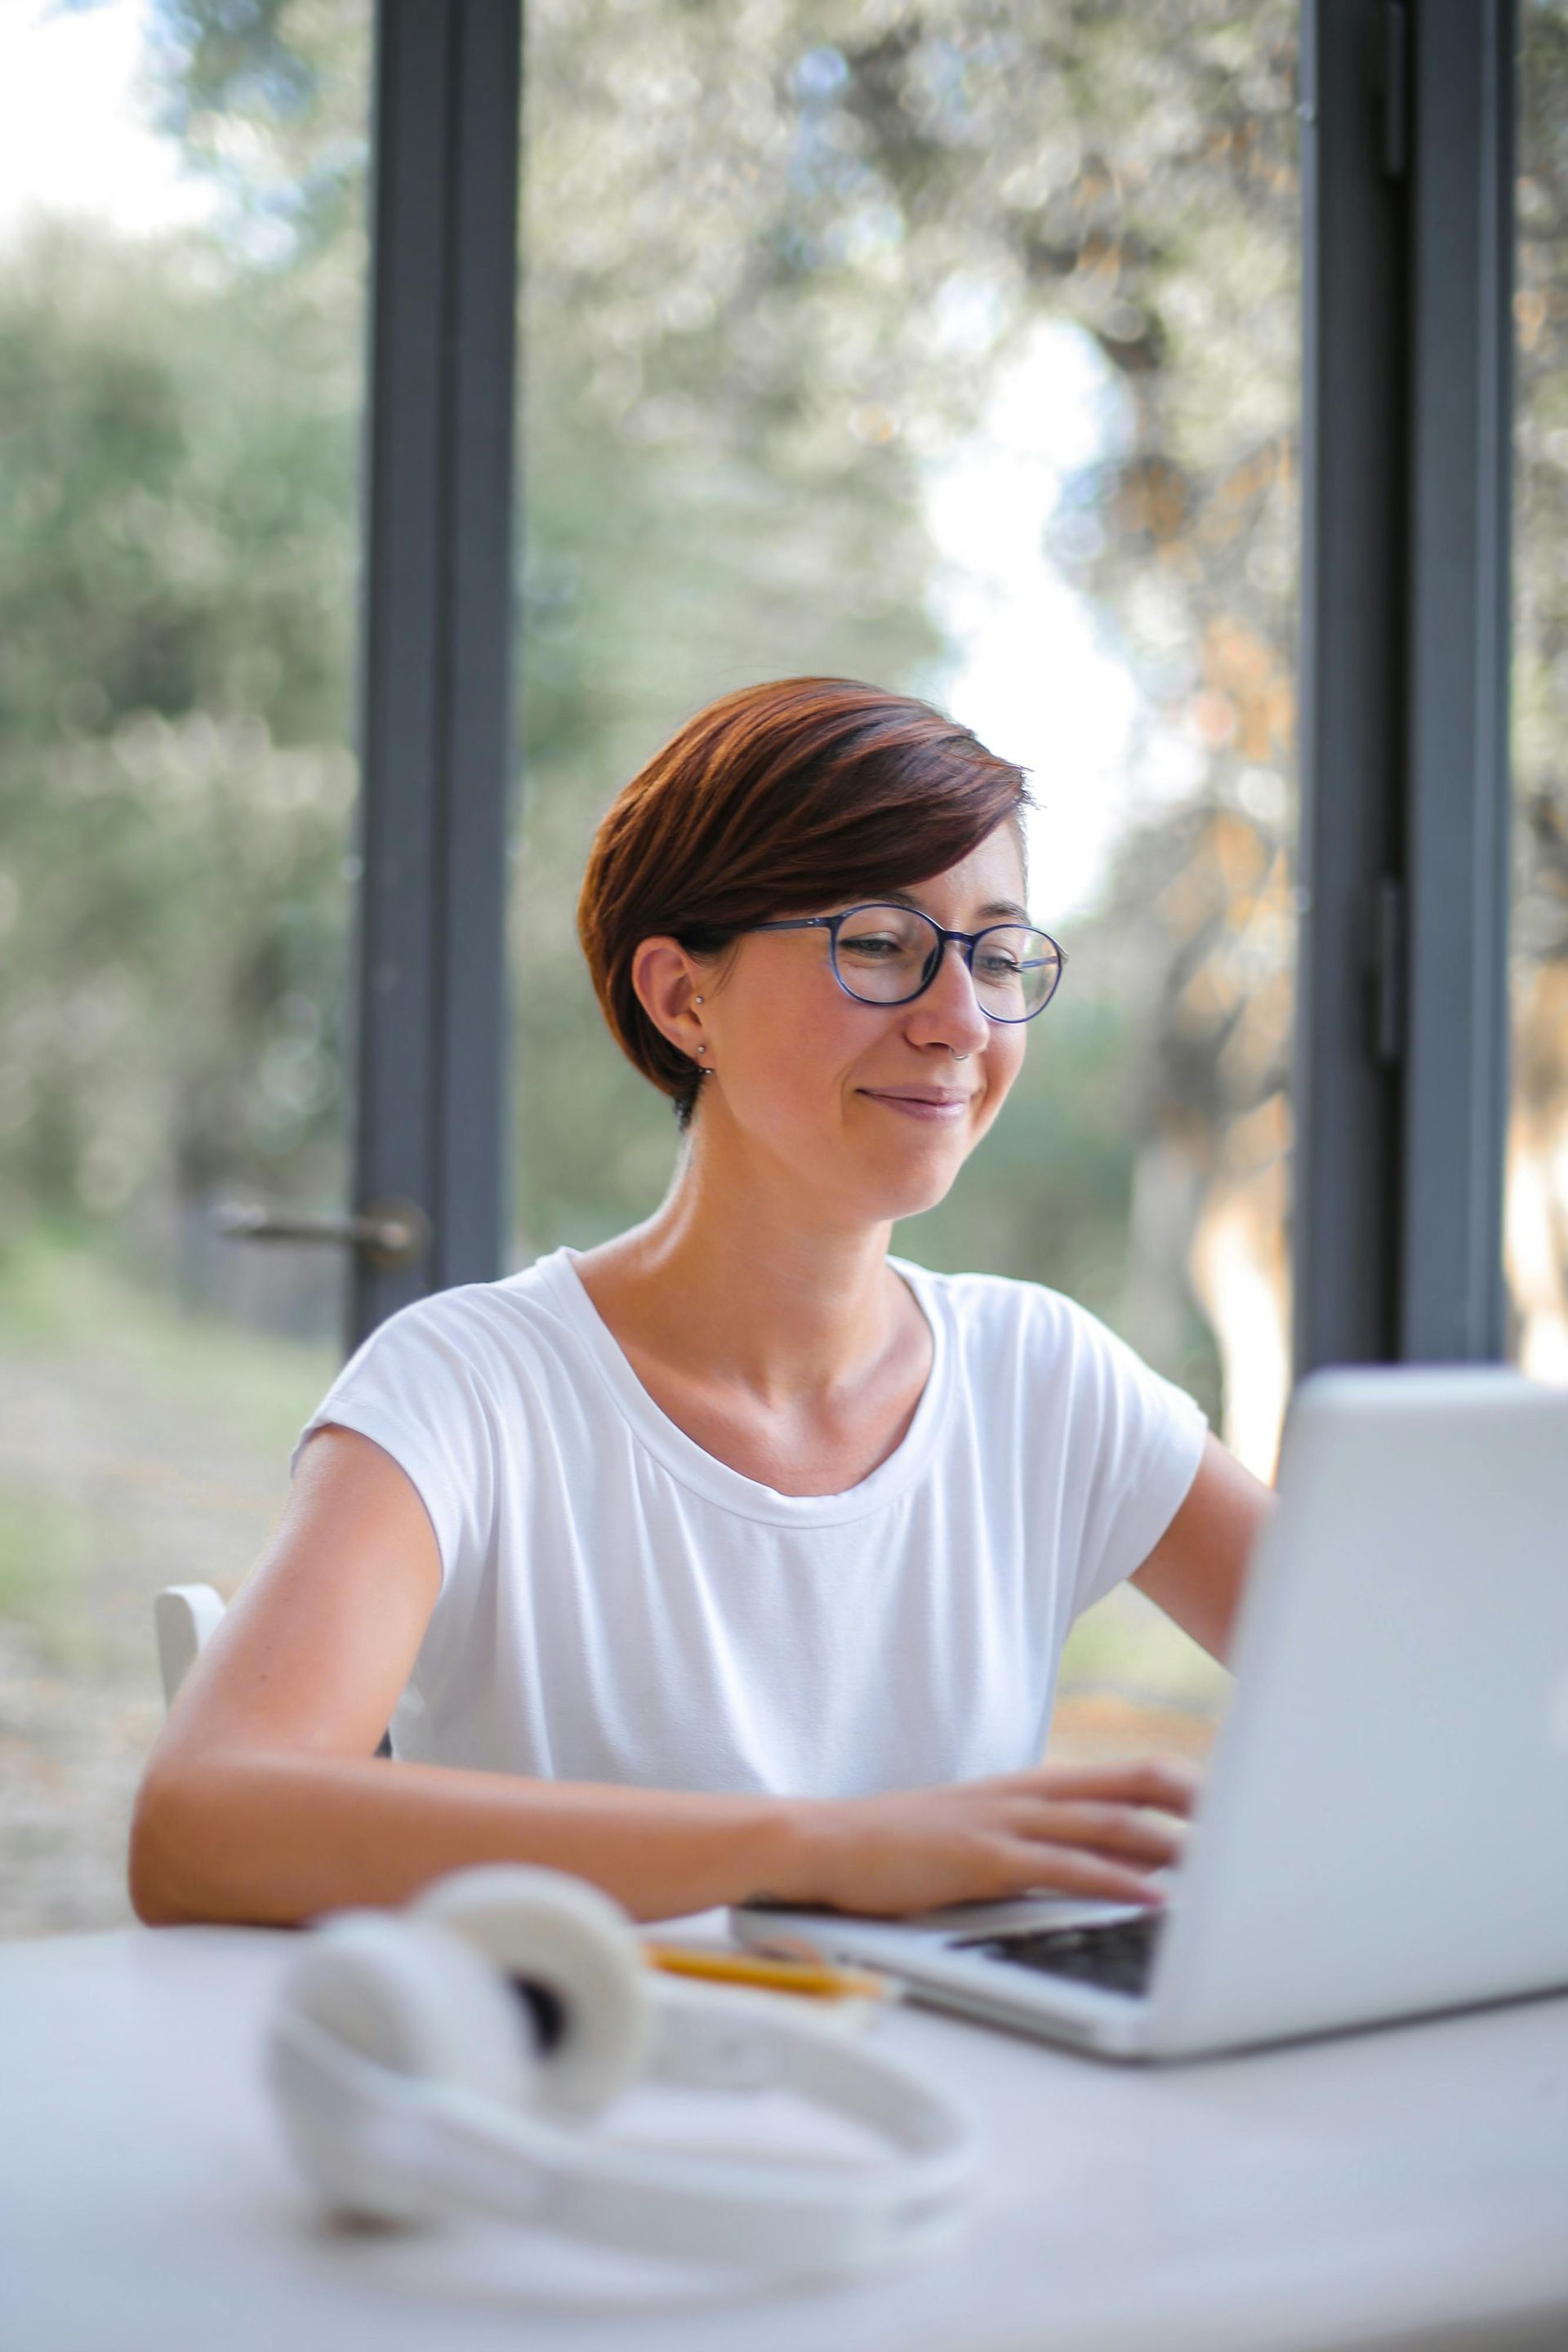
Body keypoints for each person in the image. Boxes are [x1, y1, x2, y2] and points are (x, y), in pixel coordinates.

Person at [130, 677, 1272, 1930]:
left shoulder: (1046, 1375)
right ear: (685, 998)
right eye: (882, 945)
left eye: (998, 957)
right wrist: (818, 1847)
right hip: (588, 2096)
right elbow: (202, 1826)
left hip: (962, 2105)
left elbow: (1409, 1678)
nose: (960, 1023)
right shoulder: (470, 1385)